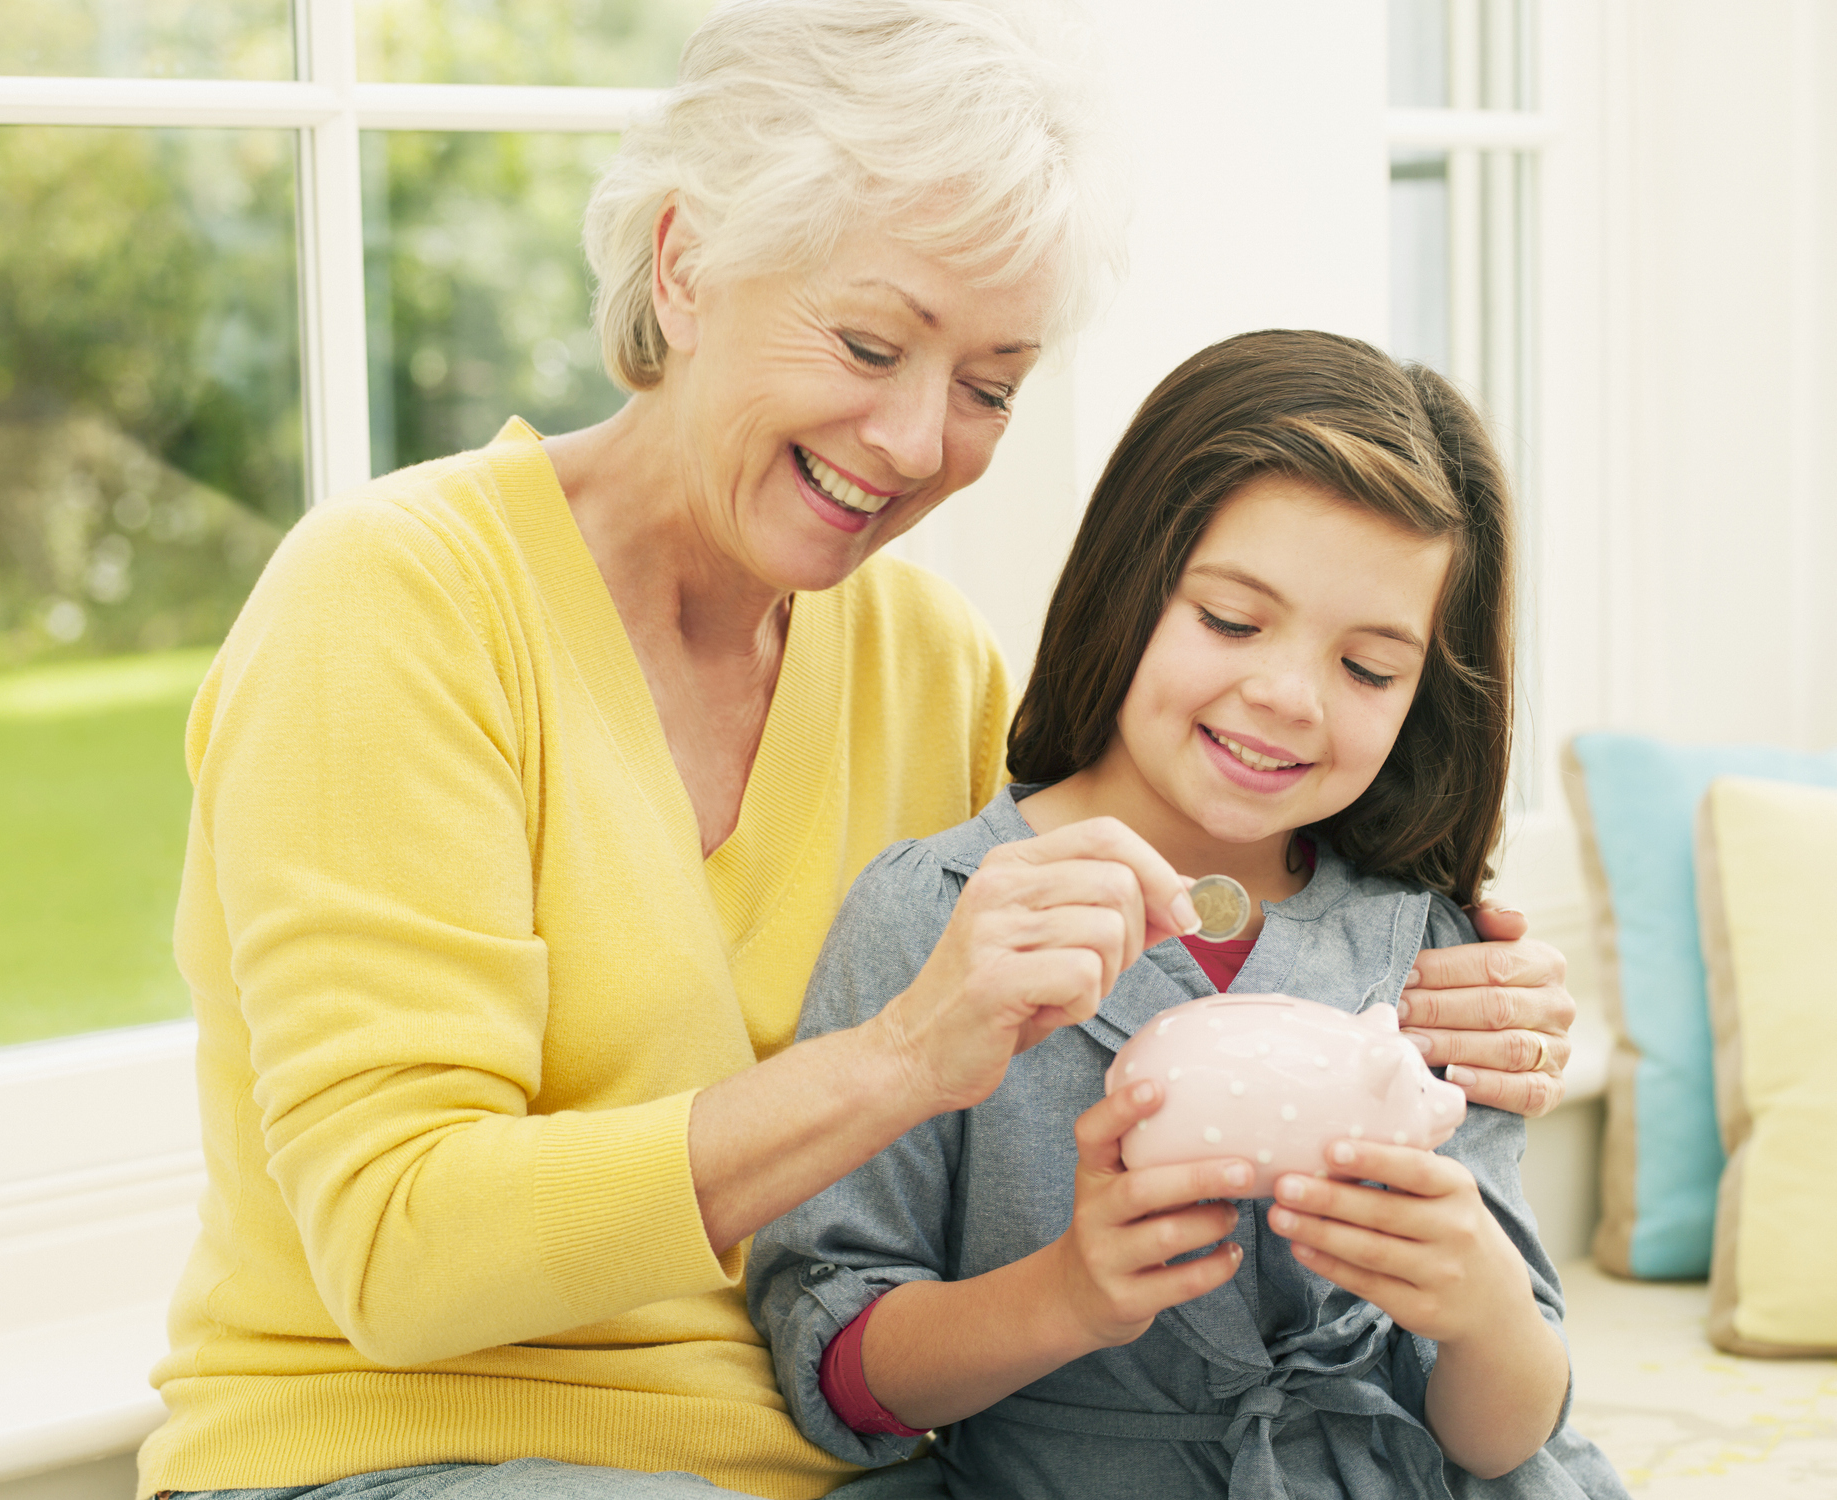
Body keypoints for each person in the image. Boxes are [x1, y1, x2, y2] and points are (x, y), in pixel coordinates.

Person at [137, 4, 1581, 1498]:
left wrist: (1441, 993)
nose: (909, 441)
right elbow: (399, 1256)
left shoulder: (919, 658)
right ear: (684, 263)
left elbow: (1138, 944)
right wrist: (895, 1059)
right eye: (869, 341)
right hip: (412, 1454)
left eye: (988, 387)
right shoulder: (397, 601)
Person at [749, 330, 1627, 1499]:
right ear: (1129, 581)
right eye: (1229, 618)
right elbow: (837, 1364)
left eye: (1369, 670)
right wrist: (1063, 1295)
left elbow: (1506, 1431)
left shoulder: (1428, 949)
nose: (1286, 697)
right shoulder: (945, 915)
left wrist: (1477, 1309)